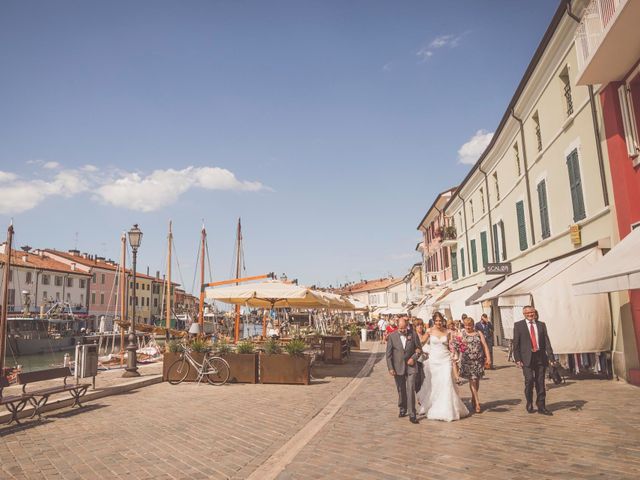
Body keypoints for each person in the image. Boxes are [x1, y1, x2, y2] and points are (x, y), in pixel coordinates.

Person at [421, 311, 469, 422]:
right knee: (436, 384)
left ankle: (449, 410)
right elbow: (421, 342)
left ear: (443, 321)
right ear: (434, 321)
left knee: (447, 382)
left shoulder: (448, 332)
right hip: (434, 360)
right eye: (436, 321)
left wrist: (456, 349)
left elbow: (451, 345)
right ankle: (436, 406)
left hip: (445, 359)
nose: (438, 323)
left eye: (440, 321)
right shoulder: (429, 331)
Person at [513, 305, 554, 416]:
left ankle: (541, 406)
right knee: (529, 380)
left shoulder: (541, 325)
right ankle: (529, 402)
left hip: (540, 357)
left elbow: (547, 342)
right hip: (526, 358)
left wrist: (551, 357)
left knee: (540, 382)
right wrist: (517, 359)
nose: (531, 315)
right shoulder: (518, 325)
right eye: (528, 313)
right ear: (524, 314)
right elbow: (515, 344)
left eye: (532, 312)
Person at [386, 317, 423, 424]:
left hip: (411, 367)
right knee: (401, 389)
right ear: (397, 326)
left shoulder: (413, 334)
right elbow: (388, 355)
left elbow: (419, 349)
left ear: (407, 325)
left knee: (410, 389)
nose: (402, 330)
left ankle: (412, 414)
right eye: (400, 328)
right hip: (398, 367)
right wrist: (390, 368)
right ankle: (402, 408)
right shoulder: (392, 336)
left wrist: (414, 357)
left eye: (404, 328)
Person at [459, 317, 491, 413]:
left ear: (473, 325)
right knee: (472, 380)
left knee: (476, 380)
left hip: (478, 361)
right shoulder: (462, 333)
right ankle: (477, 402)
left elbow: (485, 345)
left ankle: (473, 397)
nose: (468, 327)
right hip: (468, 361)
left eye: (470, 325)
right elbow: (457, 344)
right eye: (466, 325)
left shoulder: (478, 333)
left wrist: (488, 358)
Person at [446, 320, 462, 384]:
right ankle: (457, 378)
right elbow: (447, 341)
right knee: (454, 363)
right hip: (452, 349)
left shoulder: (456, 330)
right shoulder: (448, 332)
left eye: (452, 324)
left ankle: (456, 376)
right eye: (450, 324)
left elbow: (460, 338)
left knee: (457, 364)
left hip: (458, 348)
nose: (451, 325)